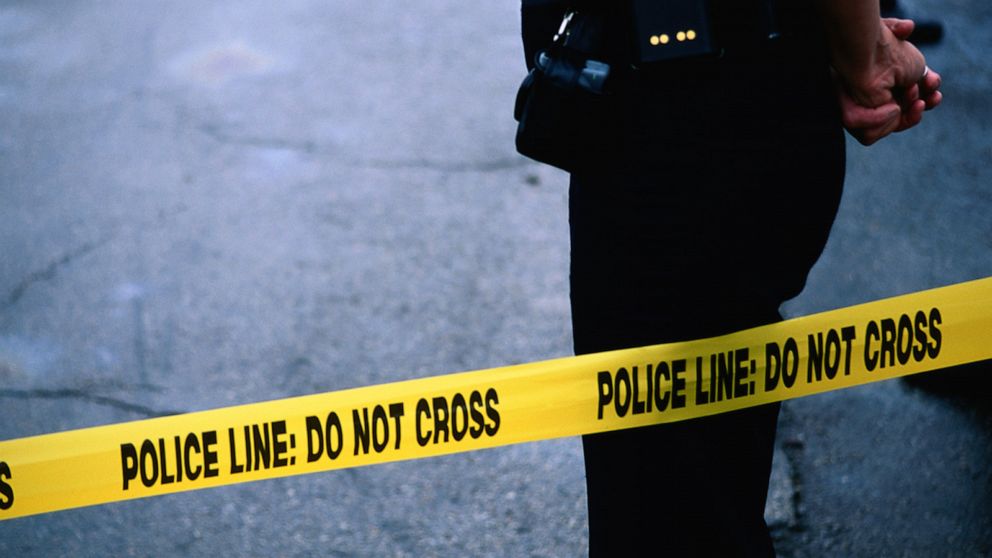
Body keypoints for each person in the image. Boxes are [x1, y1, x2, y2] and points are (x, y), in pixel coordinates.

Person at [519, 0, 941, 556]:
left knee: (672, 510)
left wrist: (866, 55)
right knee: (694, 481)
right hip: (710, 92)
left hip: (684, 114)